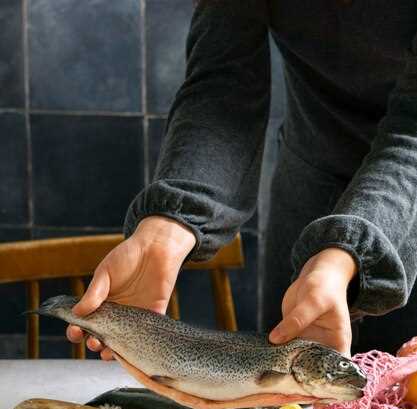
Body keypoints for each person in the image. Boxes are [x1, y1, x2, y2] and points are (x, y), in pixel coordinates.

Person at [67, 0, 417, 360]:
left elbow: (412, 131)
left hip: (411, 193)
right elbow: (223, 86)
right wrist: (172, 220)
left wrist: (348, 252)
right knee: (287, 395)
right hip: (310, 182)